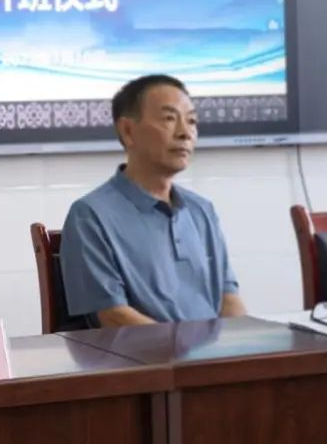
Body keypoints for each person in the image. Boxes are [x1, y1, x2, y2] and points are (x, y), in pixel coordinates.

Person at [59, 74, 247, 326]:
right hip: (145, 351)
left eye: (192, 121)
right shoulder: (91, 215)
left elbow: (229, 300)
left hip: (211, 350)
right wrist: (186, 349)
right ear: (128, 131)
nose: (185, 133)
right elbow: (114, 317)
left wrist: (242, 344)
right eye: (169, 118)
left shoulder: (202, 210)